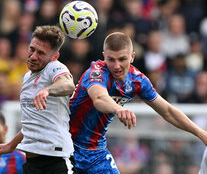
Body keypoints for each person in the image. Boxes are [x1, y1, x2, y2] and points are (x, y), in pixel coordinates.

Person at [69, 32, 207, 173]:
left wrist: (201, 133)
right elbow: (99, 98)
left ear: (132, 57)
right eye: (111, 59)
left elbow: (168, 111)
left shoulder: (138, 81)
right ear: (104, 56)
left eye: (122, 59)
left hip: (96, 152)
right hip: (66, 146)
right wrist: (119, 109)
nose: (116, 66)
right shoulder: (96, 72)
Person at [0, 25, 76, 174]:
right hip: (32, 163)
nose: (34, 56)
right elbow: (32, 123)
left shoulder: (53, 68)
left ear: (54, 57)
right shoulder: (28, 76)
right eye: (32, 49)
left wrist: (48, 90)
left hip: (56, 161)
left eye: (41, 53)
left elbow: (68, 84)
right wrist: (11, 145)